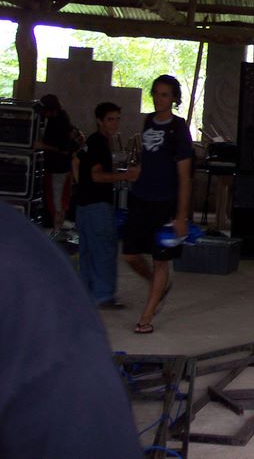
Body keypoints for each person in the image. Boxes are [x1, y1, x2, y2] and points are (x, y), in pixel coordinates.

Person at [0, 203, 143, 458]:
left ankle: (103, 293)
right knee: (94, 251)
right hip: (92, 210)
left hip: (93, 210)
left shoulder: (20, 267)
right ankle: (102, 293)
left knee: (97, 252)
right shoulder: (22, 266)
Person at [122, 75, 193, 335]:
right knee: (130, 254)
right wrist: (137, 171)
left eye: (165, 95)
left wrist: (181, 216)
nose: (159, 99)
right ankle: (157, 284)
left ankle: (146, 317)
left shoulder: (178, 128)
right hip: (141, 197)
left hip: (165, 202)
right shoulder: (148, 121)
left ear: (174, 98)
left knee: (160, 261)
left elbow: (185, 176)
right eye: (156, 93)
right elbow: (148, 157)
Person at [75, 102, 139, 309]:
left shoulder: (91, 142)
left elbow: (75, 161)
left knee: (88, 252)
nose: (115, 123)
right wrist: (125, 176)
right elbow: (97, 176)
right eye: (110, 119)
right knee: (104, 251)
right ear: (99, 121)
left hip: (84, 205)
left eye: (117, 119)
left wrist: (80, 185)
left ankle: (85, 294)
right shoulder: (99, 143)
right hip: (97, 205)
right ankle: (103, 296)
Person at [35, 94, 79, 236]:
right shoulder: (57, 118)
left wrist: (43, 145)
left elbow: (64, 149)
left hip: (58, 168)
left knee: (56, 200)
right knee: (56, 199)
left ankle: (56, 230)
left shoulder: (61, 122)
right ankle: (57, 228)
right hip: (56, 167)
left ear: (52, 109)